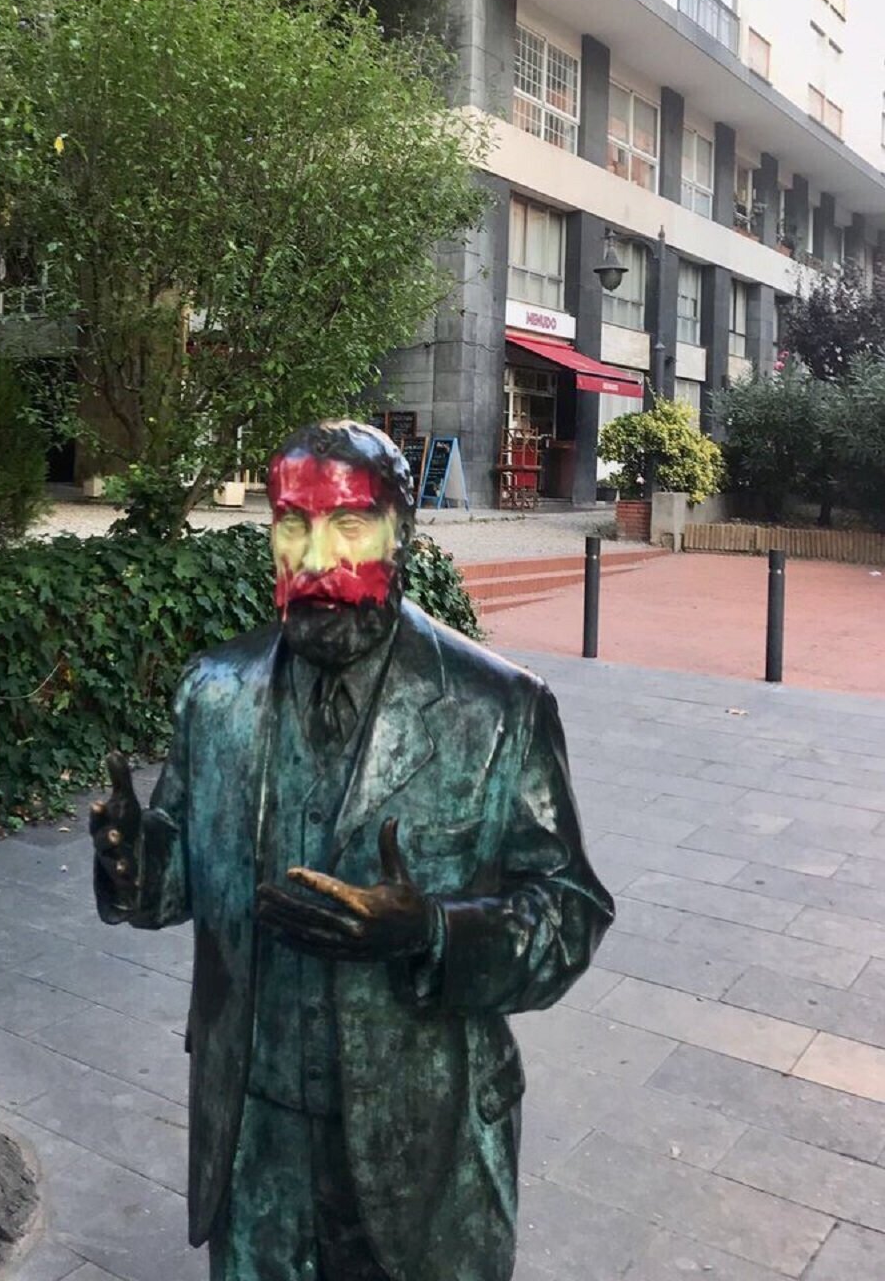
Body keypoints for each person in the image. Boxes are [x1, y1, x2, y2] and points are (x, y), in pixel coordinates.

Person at [92, 420, 613, 1281]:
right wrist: (138, 866)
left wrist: (433, 931)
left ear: (401, 532)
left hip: (424, 1138)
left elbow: (569, 914)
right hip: (255, 1137)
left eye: (349, 527)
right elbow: (186, 866)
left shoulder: (496, 707)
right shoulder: (216, 691)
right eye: (292, 525)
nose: (316, 558)